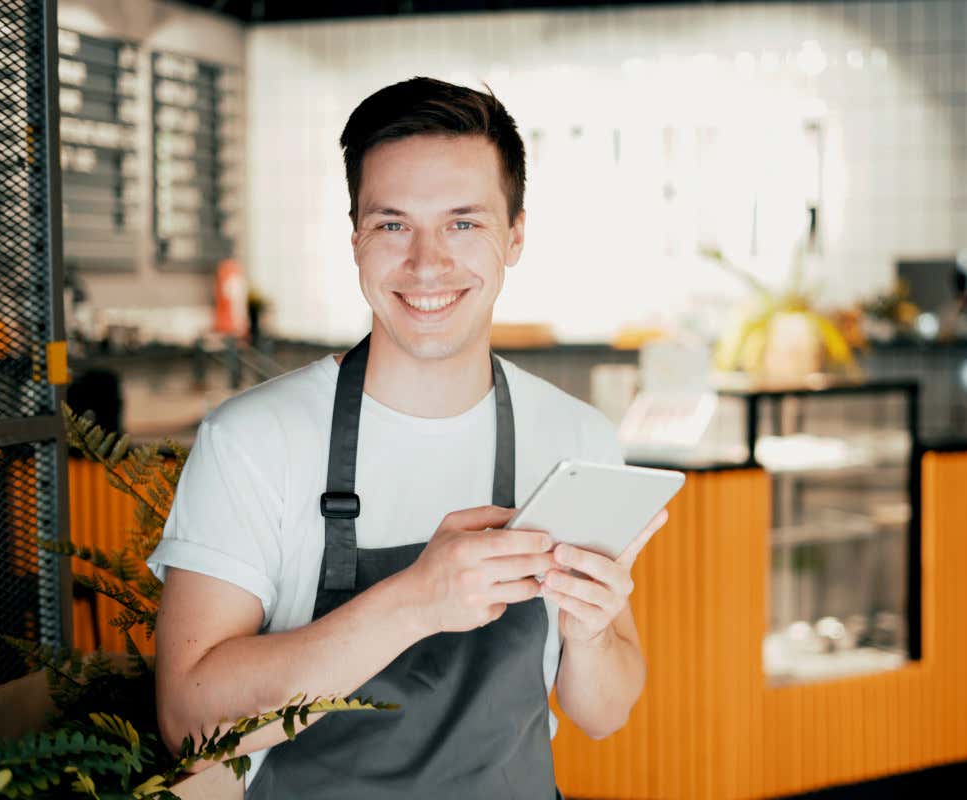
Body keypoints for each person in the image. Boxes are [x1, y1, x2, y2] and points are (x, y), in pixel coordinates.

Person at [147, 77, 667, 799]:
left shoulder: (577, 438)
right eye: (393, 225)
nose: (427, 264)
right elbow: (189, 722)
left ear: (515, 235)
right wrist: (417, 601)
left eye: (463, 223)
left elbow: (605, 713)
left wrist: (592, 632)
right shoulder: (252, 442)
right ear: (355, 238)